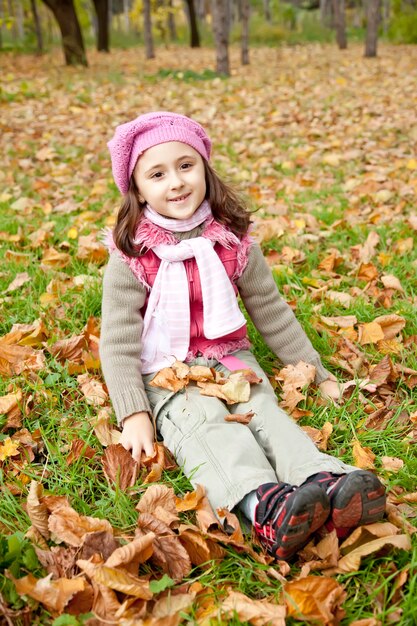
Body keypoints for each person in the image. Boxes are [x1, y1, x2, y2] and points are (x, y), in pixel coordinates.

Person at [100, 111, 386, 560]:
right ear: (137, 189)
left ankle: (323, 482)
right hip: (166, 371)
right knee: (206, 425)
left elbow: (271, 312)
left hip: (229, 357)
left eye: (185, 165)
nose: (175, 182)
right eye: (157, 174)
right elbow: (117, 339)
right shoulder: (133, 254)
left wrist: (316, 370)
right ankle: (263, 505)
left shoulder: (231, 241)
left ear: (205, 169)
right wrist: (133, 411)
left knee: (263, 412)